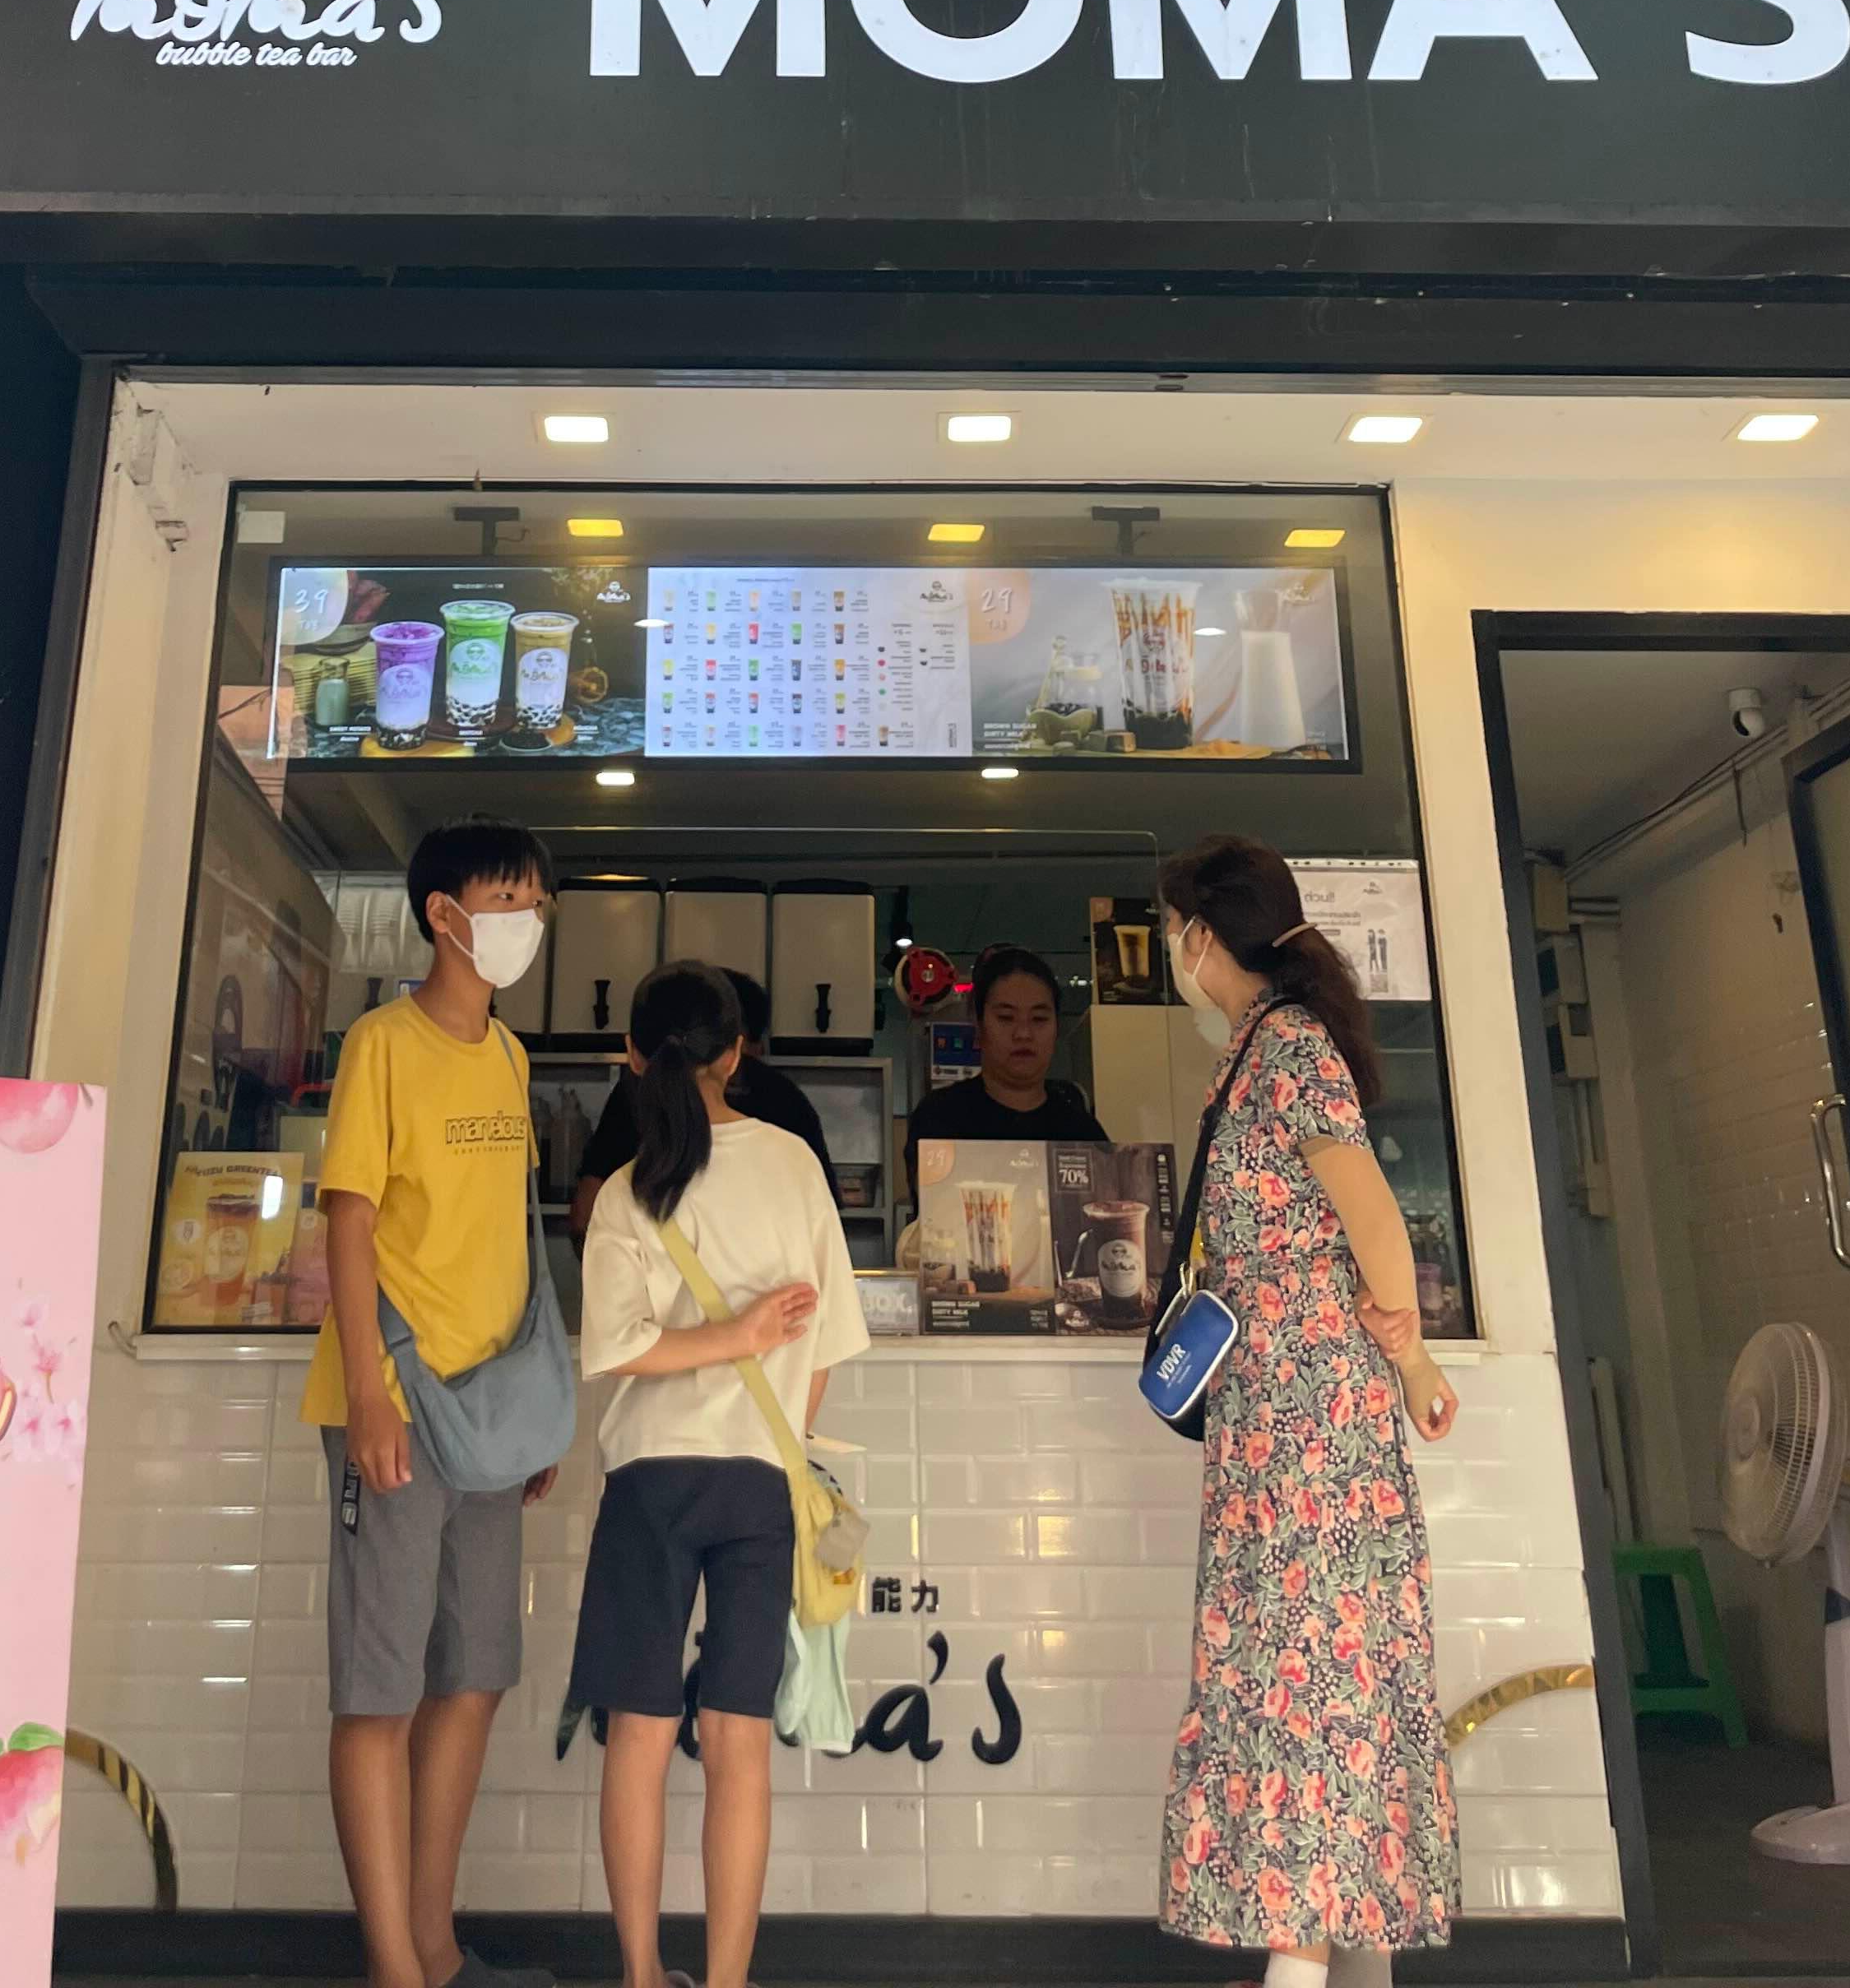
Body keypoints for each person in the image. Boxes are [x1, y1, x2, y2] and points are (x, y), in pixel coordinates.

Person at [1154, 833, 1458, 1988]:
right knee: (1301, 1685)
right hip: (1281, 1417)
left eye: (1172, 931)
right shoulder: (1262, 1047)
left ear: (1201, 937)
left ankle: (1301, 1963)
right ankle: (1321, 1960)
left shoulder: (1286, 1048)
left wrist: (1411, 1355)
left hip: (1309, 1424)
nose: (1171, 951)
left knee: (1306, 1689)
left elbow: (1372, 1215)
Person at [572, 963, 868, 1988]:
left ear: (632, 1057)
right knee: (740, 1741)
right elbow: (827, 1344)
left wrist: (717, 1341)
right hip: (758, 1485)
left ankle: (641, 1976)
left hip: (650, 1482)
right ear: (738, 1052)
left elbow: (615, 1349)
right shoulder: (792, 1163)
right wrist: (768, 1399)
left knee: (640, 1736)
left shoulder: (627, 1188)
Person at [304, 818, 562, 1988]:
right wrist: (368, 1393)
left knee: (474, 1678)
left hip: (487, 1416)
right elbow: (349, 1221)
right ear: (442, 915)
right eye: (505, 900)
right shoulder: (383, 1044)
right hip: (398, 1406)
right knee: (382, 1691)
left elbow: (507, 1243)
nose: (526, 922)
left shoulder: (509, 1056)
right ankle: (392, 1967)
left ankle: (437, 1947)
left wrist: (529, 1413)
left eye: (536, 902)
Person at [568, 967, 830, 1243]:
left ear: (633, 1053)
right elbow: (824, 1240)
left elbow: (584, 1218)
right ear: (736, 1051)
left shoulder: (618, 1188)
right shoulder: (793, 1140)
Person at [902, 940, 1109, 1203]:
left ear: (1057, 1027)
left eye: (1039, 1019)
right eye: (1006, 1018)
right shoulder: (940, 1117)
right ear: (978, 1025)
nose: (1023, 1033)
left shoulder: (1082, 1131)